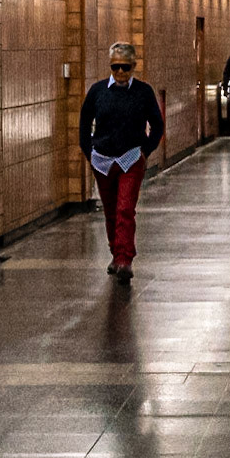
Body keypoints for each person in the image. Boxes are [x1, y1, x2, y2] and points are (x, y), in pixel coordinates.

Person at [80, 42, 163, 285]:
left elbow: (157, 125)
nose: (119, 72)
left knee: (125, 208)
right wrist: (89, 152)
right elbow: (84, 123)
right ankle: (116, 253)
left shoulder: (143, 92)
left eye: (125, 67)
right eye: (115, 67)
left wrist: (145, 151)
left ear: (133, 66)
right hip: (102, 160)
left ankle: (125, 259)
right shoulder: (97, 91)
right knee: (110, 210)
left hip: (130, 158)